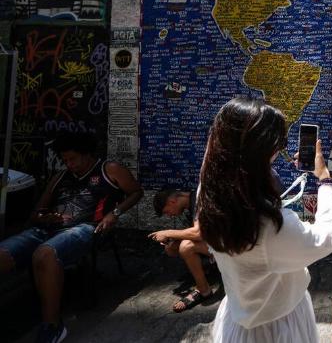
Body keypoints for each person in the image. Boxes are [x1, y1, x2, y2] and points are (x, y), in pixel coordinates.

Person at [197, 97, 332, 342]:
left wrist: (266, 171)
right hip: (280, 327)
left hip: (237, 318)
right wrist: (325, 180)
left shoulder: (210, 193)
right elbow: (329, 234)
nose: (279, 151)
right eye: (276, 146)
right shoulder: (271, 228)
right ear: (260, 154)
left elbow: (246, 178)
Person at [0, 133, 143, 343]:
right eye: (65, 160)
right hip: (47, 229)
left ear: (86, 154)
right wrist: (44, 216)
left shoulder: (109, 170)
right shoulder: (60, 176)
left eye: (73, 159)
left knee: (44, 255)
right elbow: (37, 212)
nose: (69, 164)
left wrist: (115, 213)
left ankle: (52, 326)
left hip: (85, 228)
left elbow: (136, 192)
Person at [150, 189, 214, 312]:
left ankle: (203, 290)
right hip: (215, 242)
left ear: (172, 201)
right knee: (171, 248)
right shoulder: (190, 205)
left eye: (167, 212)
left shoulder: (199, 199)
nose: (169, 215)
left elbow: (198, 233)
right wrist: (172, 239)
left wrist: (168, 232)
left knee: (186, 246)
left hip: (233, 245)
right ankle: (205, 270)